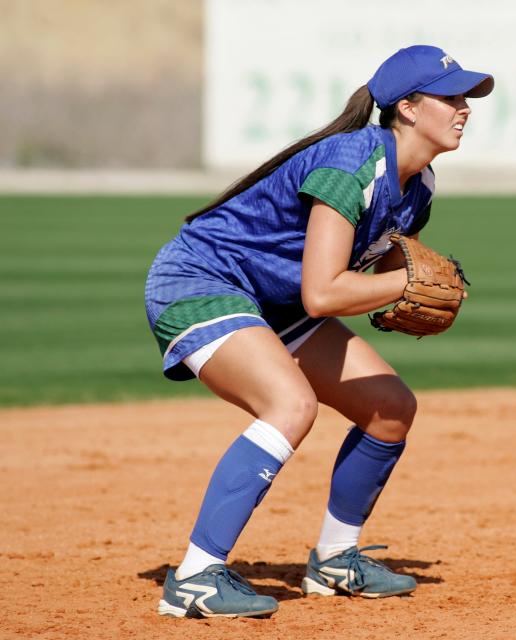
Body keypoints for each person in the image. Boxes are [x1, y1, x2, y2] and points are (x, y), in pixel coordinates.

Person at [144, 45, 493, 619]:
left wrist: (401, 286)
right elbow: (325, 294)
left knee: (390, 406)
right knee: (289, 404)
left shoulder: (420, 186)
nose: (464, 109)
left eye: (466, 98)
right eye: (451, 97)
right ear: (407, 108)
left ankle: (335, 560)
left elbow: (368, 279)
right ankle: (197, 579)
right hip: (201, 281)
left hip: (274, 302)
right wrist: (407, 285)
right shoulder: (354, 161)